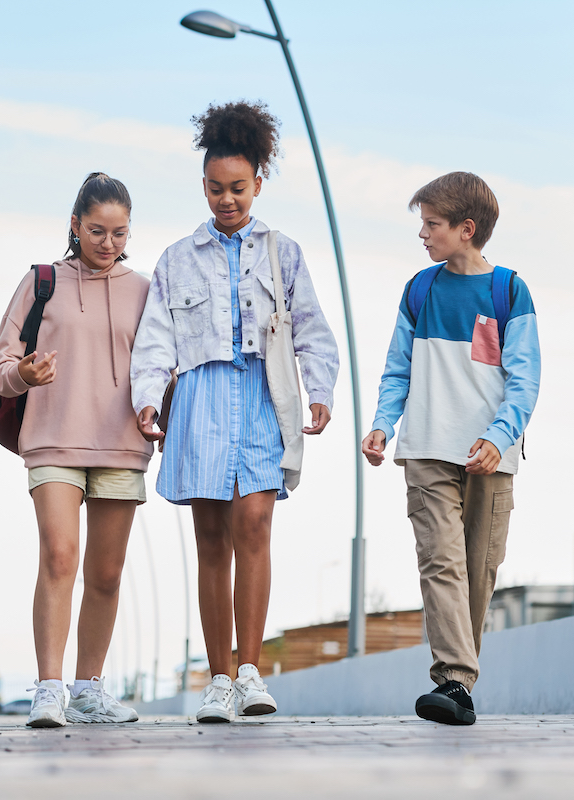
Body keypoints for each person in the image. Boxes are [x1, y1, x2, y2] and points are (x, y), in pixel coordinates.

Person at [131, 101, 340, 724]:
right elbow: (155, 341)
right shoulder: (175, 259)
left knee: (256, 526)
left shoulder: (285, 253)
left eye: (240, 188)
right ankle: (218, 677)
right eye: (218, 189)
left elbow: (312, 330)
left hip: (260, 398)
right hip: (199, 403)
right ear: (203, 187)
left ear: (258, 183)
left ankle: (251, 671)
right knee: (212, 544)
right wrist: (148, 399)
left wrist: (319, 388)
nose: (229, 200)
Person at [361, 172, 540, 726]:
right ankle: (456, 681)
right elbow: (398, 369)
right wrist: (382, 424)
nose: (422, 233)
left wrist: (499, 435)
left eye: (431, 224)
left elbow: (524, 379)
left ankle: (458, 680)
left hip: (490, 456)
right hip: (427, 450)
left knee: (478, 572)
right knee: (442, 562)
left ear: (466, 229)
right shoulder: (420, 289)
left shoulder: (509, 290)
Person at [0, 173, 154, 728]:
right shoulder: (42, 283)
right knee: (59, 558)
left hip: (123, 445)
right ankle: (49, 688)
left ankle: (88, 689)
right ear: (75, 225)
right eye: (98, 231)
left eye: (120, 233)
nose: (108, 243)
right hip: (53, 441)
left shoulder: (147, 290)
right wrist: (25, 374)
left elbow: (159, 368)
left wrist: (163, 406)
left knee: (106, 574)